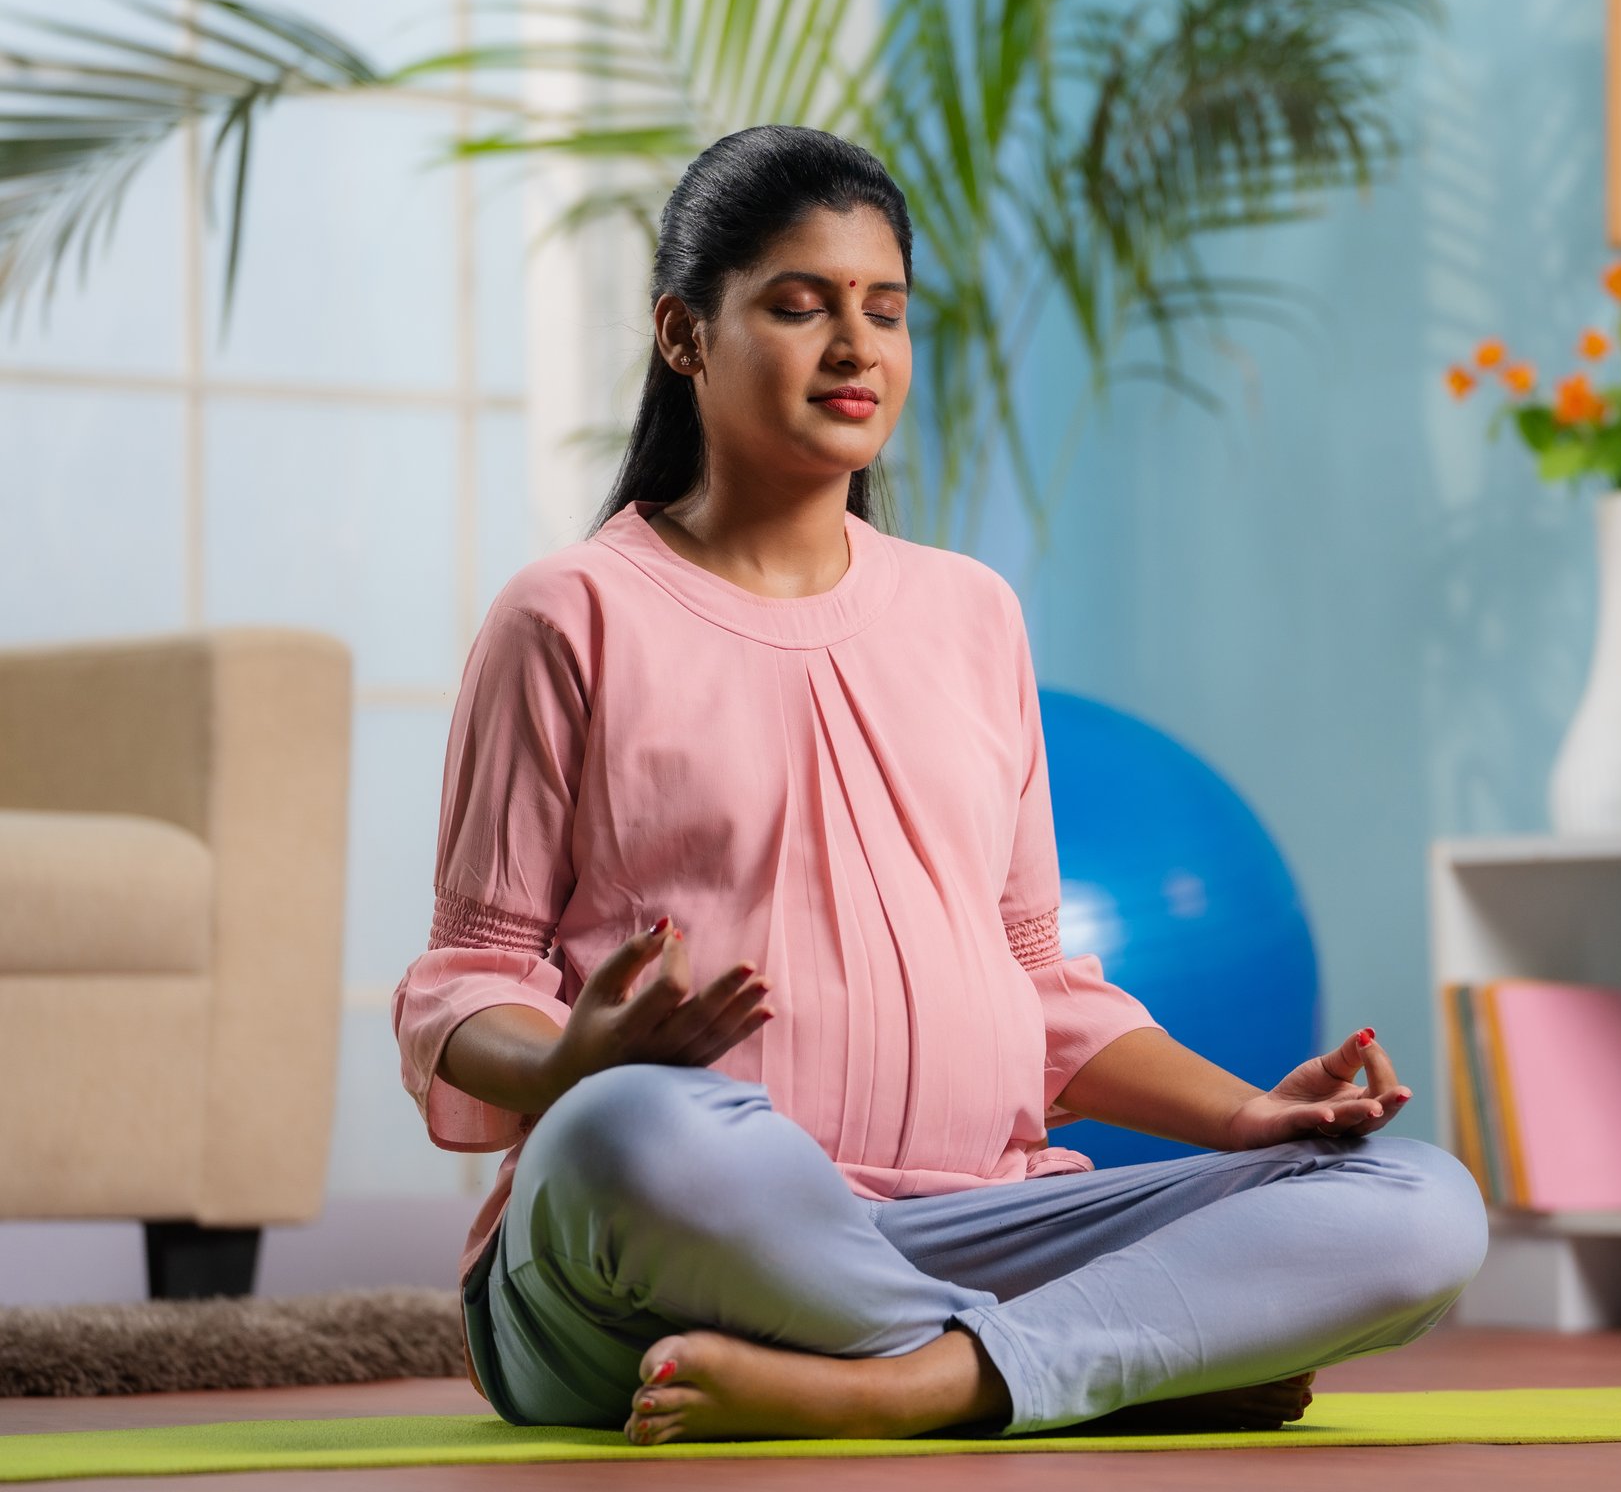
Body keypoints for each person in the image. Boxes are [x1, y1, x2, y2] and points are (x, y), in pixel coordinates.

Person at [388, 125, 1488, 1447]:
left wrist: (1250, 1114)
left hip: (975, 1221)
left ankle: (911, 1382)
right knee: (631, 1133)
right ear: (684, 335)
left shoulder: (971, 615)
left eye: (886, 310)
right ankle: (1103, 1359)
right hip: (657, 1244)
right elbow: (464, 983)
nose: (857, 346)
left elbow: (1043, 993)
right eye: (800, 306)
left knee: (1421, 1203)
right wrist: (572, 1061)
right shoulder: (569, 614)